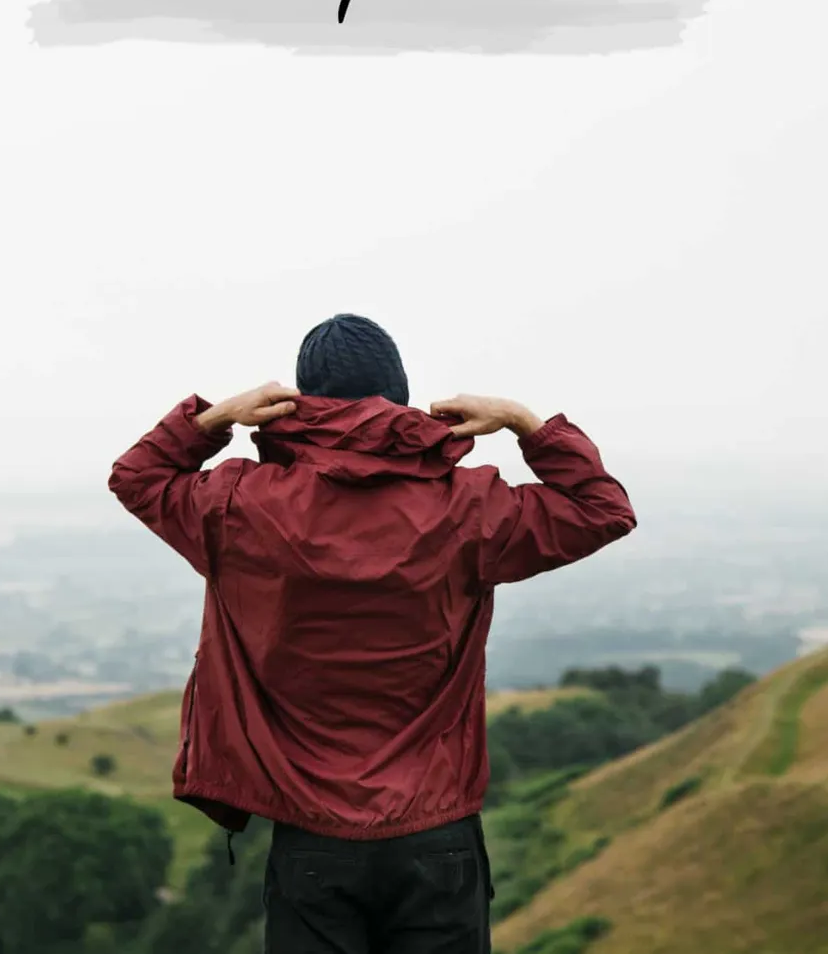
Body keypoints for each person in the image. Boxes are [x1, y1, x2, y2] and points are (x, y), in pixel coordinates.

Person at [108, 313, 637, 954]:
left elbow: (138, 476)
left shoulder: (238, 505)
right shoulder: (469, 507)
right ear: (401, 395)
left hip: (311, 839)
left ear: (295, 403)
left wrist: (213, 420)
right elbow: (601, 508)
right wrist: (524, 422)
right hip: (438, 835)